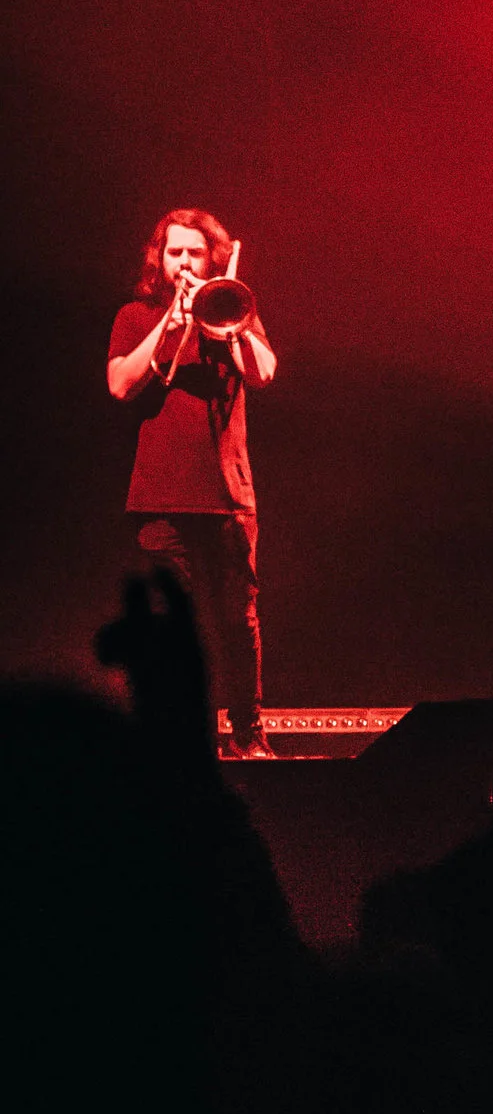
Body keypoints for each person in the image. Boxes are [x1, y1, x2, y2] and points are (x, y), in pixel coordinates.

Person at [105, 208, 277, 757]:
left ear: (213, 258)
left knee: (236, 620)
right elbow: (120, 386)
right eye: (174, 252)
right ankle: (183, 740)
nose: (184, 263)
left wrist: (231, 327)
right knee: (173, 625)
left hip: (227, 496)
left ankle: (248, 736)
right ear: (160, 258)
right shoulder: (135, 314)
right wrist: (170, 324)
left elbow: (265, 373)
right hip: (159, 496)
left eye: (194, 253)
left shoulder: (232, 310)